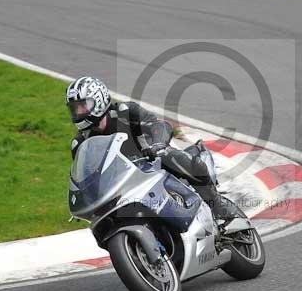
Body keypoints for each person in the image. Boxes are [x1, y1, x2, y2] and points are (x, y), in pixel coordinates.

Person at [65, 76, 231, 221]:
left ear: (99, 100)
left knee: (171, 158)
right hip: (123, 182)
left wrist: (157, 145)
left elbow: (159, 125)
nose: (78, 112)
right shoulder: (80, 143)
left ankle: (217, 206)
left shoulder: (126, 112)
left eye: (82, 105)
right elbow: (87, 176)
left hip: (153, 161)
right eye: (74, 108)